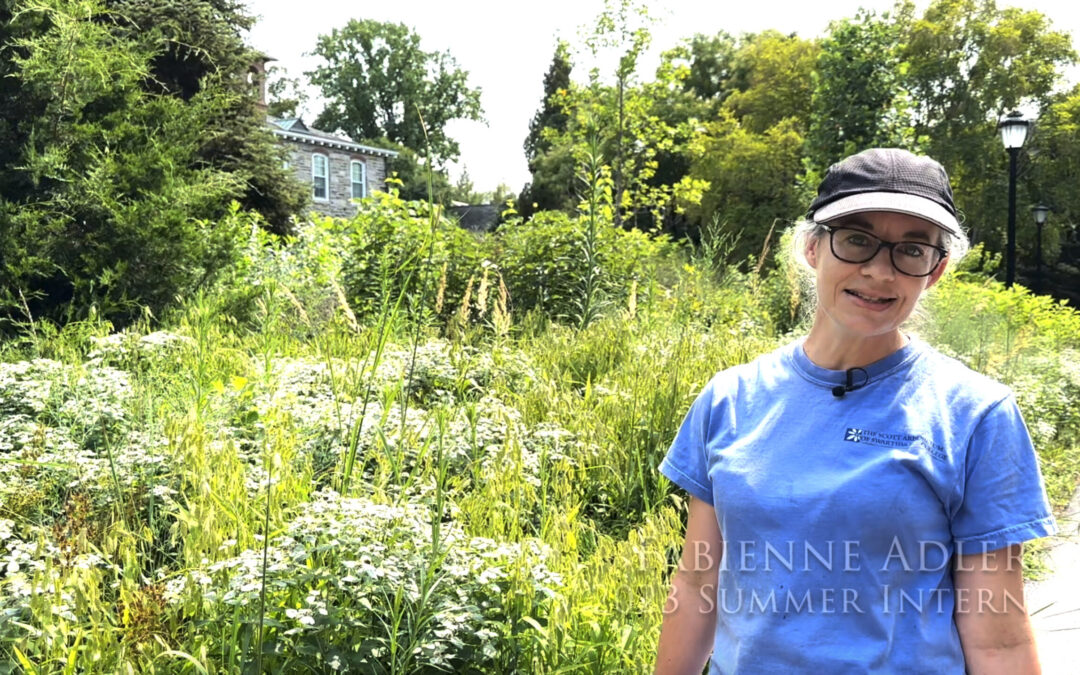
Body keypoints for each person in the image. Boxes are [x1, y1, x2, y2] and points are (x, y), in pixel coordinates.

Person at [653, 148, 1057, 674]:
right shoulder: (730, 399)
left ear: (934, 272)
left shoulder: (976, 415)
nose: (879, 272)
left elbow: (998, 634)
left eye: (911, 250)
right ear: (812, 248)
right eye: (857, 240)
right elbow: (697, 583)